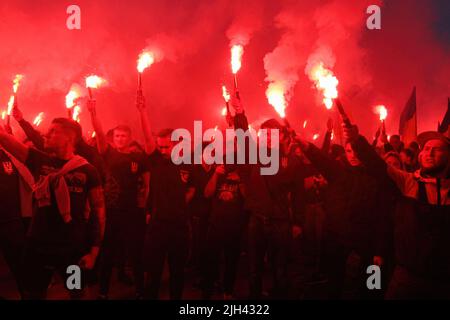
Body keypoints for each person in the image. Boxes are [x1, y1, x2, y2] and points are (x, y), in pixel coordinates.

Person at [0, 118, 105, 299]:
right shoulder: (38, 160)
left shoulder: (88, 171)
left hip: (71, 248)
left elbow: (99, 213)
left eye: (53, 131)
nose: (45, 134)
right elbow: (4, 139)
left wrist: (93, 252)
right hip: (38, 246)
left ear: (69, 138)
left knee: (77, 292)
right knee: (33, 293)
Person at [345, 127, 450, 299]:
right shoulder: (408, 183)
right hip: (405, 276)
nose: (429, 152)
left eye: (437, 149)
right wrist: (357, 140)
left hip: (442, 281)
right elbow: (377, 166)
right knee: (373, 286)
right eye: (425, 148)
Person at [295, 133, 388, 299]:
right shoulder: (340, 173)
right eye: (349, 151)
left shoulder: (377, 178)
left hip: (368, 244)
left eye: (357, 151)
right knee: (334, 284)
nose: (353, 156)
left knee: (371, 287)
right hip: (338, 241)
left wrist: (379, 251)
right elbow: (323, 161)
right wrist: (306, 146)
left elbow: (382, 216)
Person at [232, 98, 304, 299]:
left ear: (281, 136)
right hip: (257, 219)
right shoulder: (255, 155)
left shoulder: (292, 160)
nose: (268, 138)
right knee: (254, 270)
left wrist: (298, 222)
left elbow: (299, 193)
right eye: (265, 135)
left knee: (279, 270)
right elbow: (242, 136)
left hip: (280, 222)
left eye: (273, 134)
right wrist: (240, 114)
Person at [87, 99, 150, 299]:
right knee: (107, 254)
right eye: (117, 135)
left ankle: (141, 291)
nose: (120, 138)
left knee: (135, 255)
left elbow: (147, 184)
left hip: (132, 213)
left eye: (123, 136)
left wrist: (144, 207)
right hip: (111, 212)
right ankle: (104, 292)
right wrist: (93, 112)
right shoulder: (108, 153)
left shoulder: (138, 158)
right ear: (113, 138)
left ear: (129, 138)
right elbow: (99, 134)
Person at [142, 127, 195, 300]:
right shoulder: (157, 160)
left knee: (177, 272)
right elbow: (148, 138)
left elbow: (193, 187)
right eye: (160, 147)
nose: (163, 151)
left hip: (179, 226)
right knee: (153, 271)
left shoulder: (188, 162)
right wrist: (142, 111)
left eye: (166, 147)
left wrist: (180, 202)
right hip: (158, 225)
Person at [202, 162, 246, 299]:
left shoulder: (242, 173)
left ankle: (228, 291)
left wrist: (240, 181)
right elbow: (207, 194)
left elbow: (248, 197)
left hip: (234, 226)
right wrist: (215, 174)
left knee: (231, 261)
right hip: (216, 224)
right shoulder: (217, 172)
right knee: (210, 260)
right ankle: (207, 291)